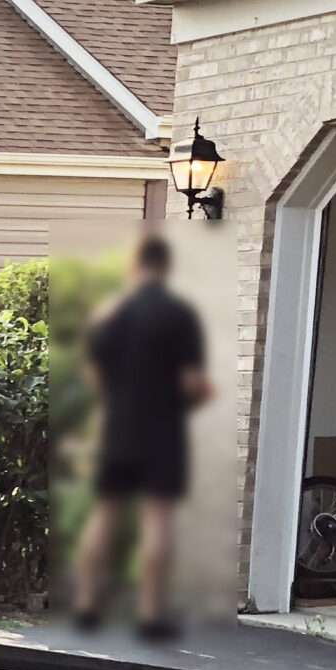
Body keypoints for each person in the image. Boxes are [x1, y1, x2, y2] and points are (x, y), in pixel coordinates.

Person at [75, 235, 209, 639]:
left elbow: (94, 376)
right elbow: (190, 383)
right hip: (162, 431)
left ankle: (86, 606)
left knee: (104, 517)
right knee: (157, 521)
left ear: (135, 268)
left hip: (118, 428)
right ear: (167, 269)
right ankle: (151, 615)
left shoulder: (109, 315)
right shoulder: (179, 315)